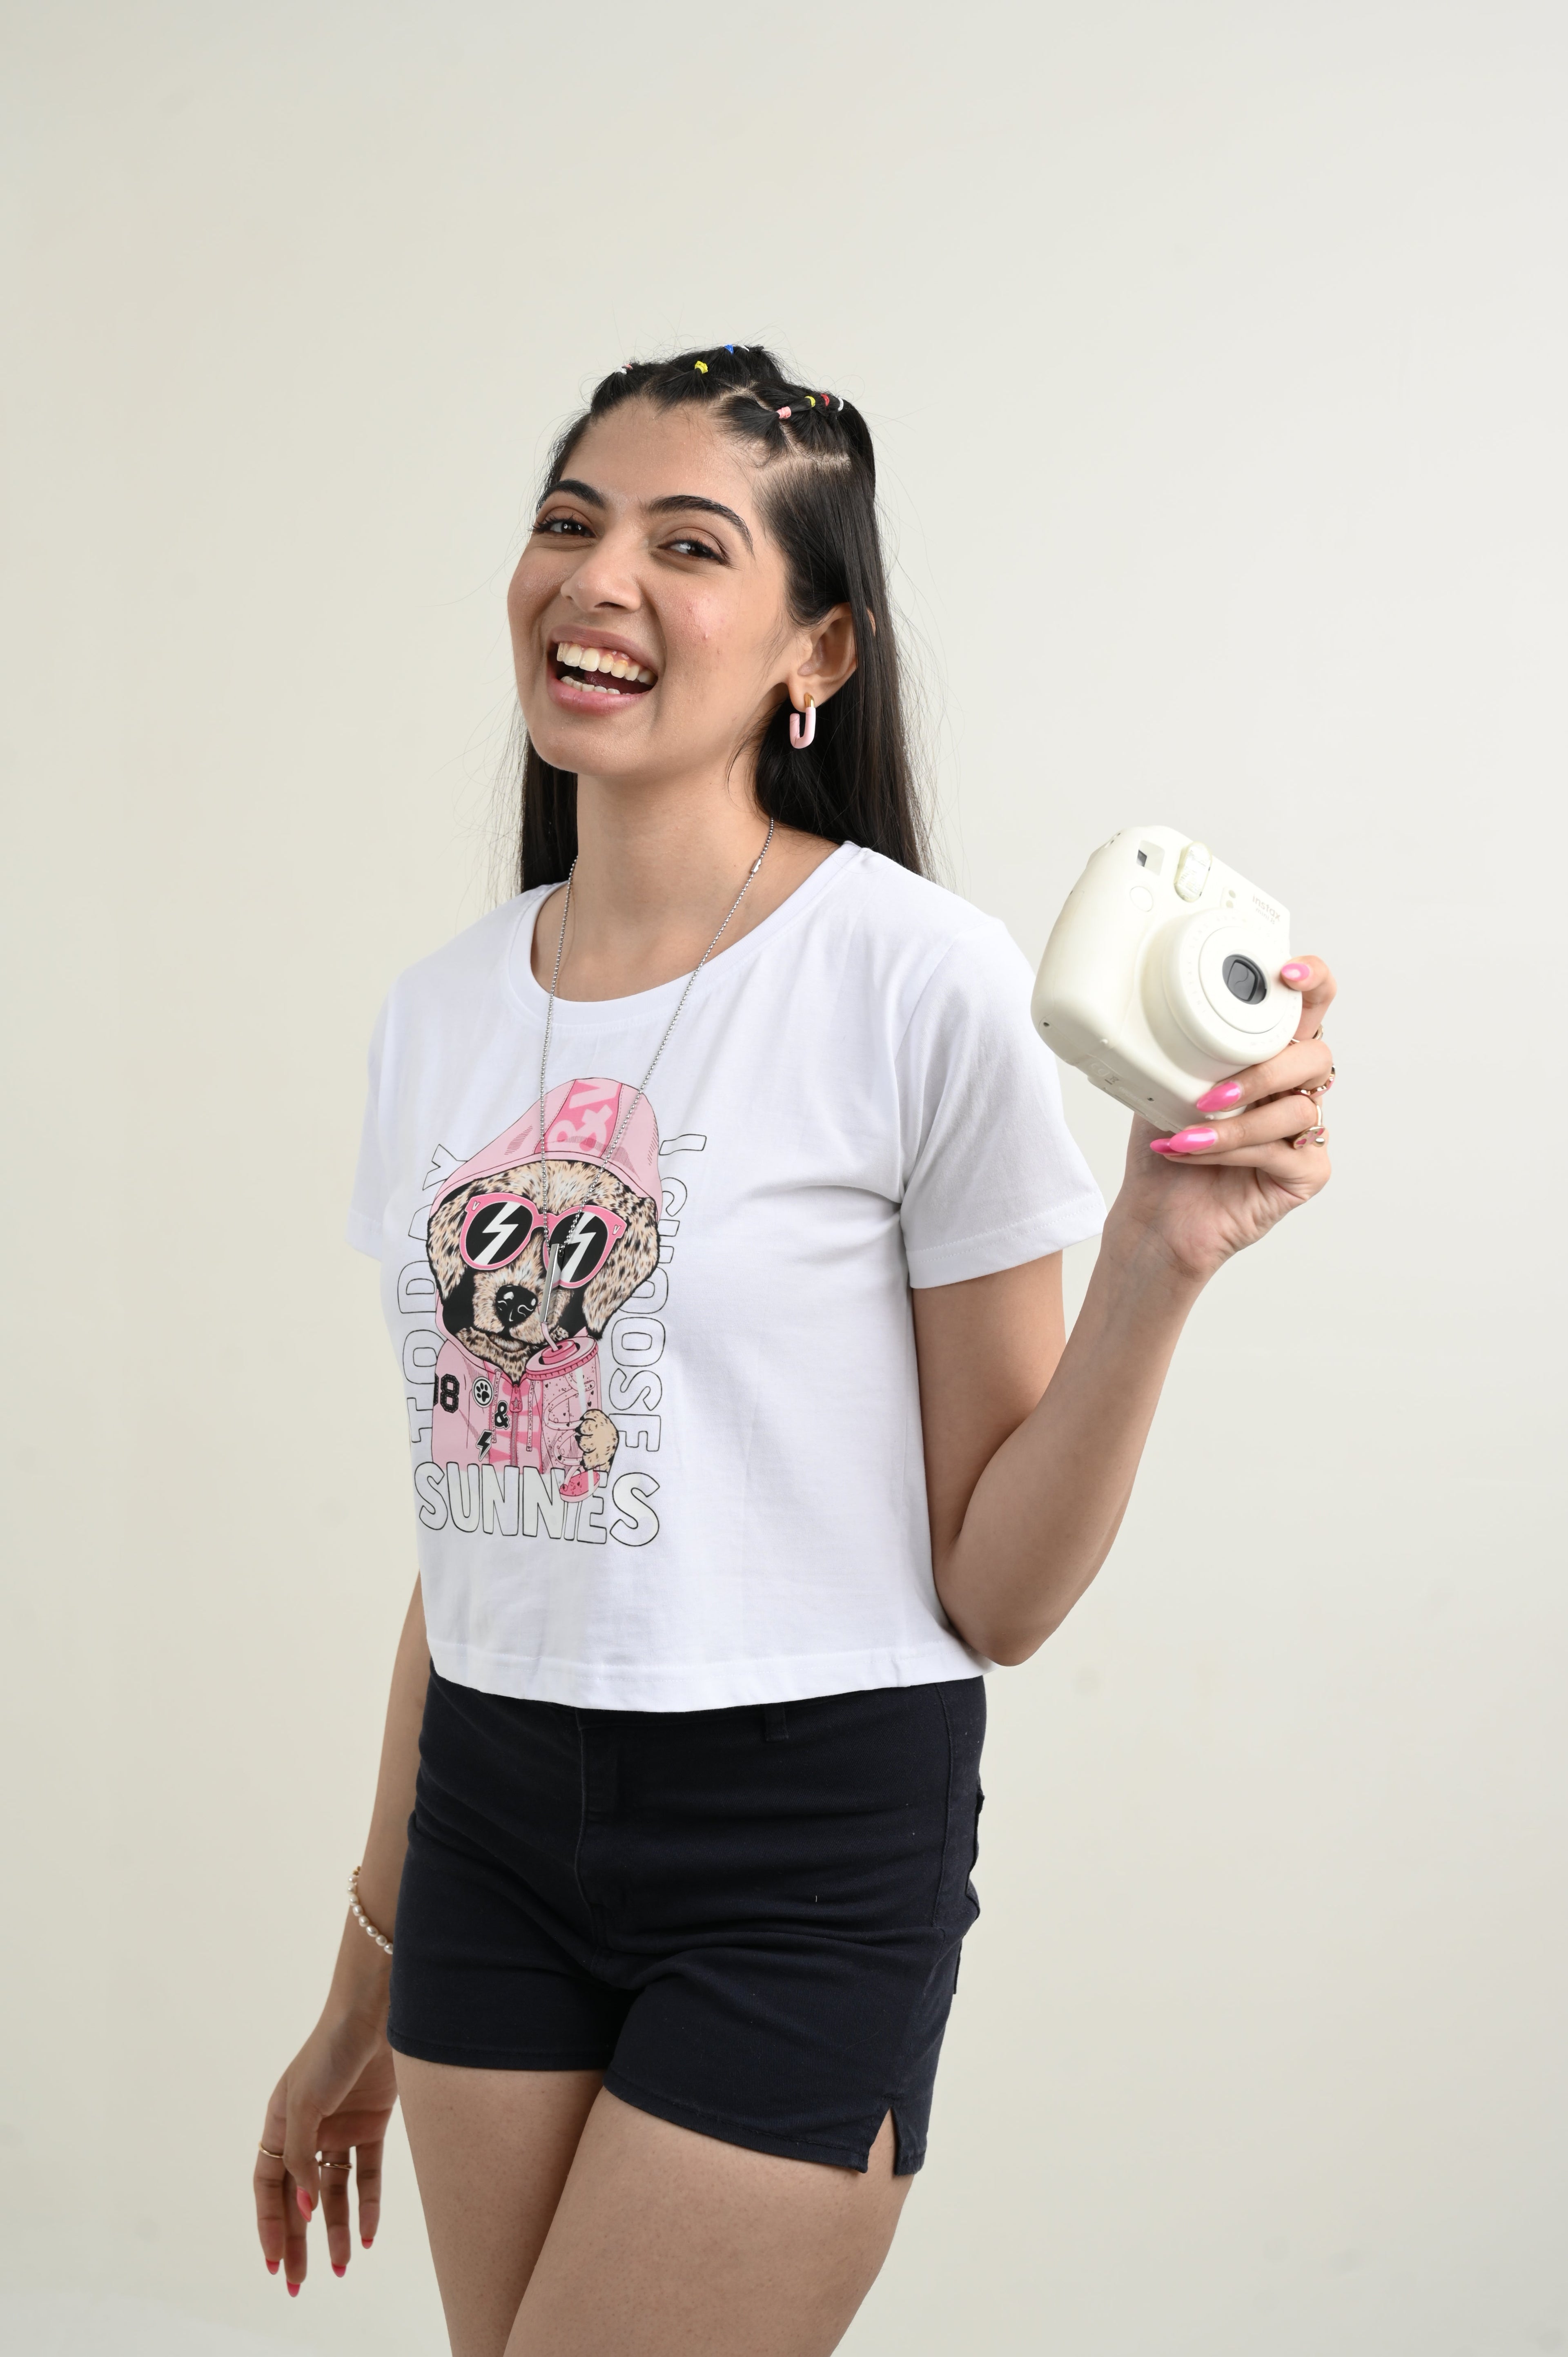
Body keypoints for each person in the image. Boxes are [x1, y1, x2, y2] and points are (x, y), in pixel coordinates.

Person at [252, 344, 1335, 2357]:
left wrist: (1158, 1260)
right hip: (490, 1826)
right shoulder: (440, 1016)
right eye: (569, 522)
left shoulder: (918, 979)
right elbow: (475, 1544)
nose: (599, 579)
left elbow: (997, 1594)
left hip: (805, 1843)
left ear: (815, 652)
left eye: (688, 546)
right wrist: (359, 1981)